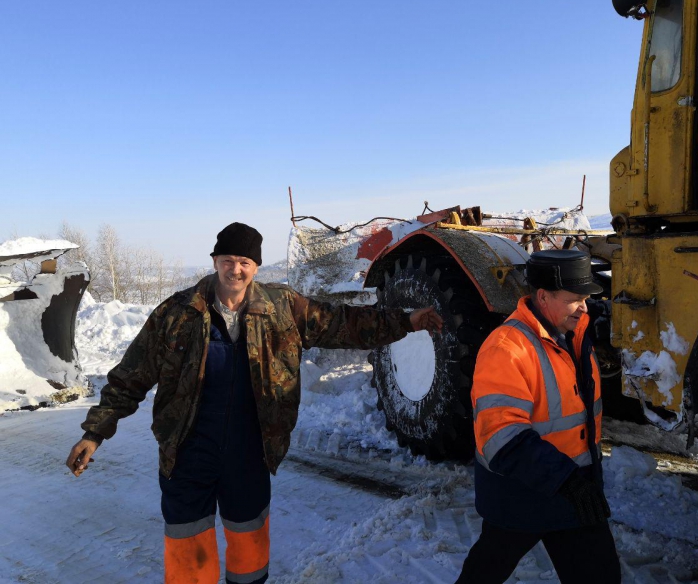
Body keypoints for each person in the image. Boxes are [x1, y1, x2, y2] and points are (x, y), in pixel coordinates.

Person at [65, 222, 442, 584]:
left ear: (256, 267)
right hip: (187, 452)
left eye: (245, 262)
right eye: (228, 260)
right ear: (214, 262)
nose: (236, 270)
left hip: (249, 450)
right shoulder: (177, 313)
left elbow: (342, 323)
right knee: (187, 552)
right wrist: (94, 432)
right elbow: (131, 375)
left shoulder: (281, 307)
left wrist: (406, 321)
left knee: (249, 547)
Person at [456, 248, 620, 583]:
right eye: (575, 298)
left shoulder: (574, 335)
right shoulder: (506, 348)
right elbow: (502, 437)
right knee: (486, 571)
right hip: (519, 497)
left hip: (573, 493)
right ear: (543, 296)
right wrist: (567, 481)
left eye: (586, 298)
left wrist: (577, 483)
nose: (584, 307)